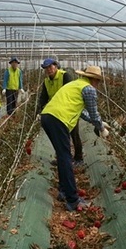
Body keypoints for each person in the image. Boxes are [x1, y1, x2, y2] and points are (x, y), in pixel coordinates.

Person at [41, 66, 109, 211]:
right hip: (59, 120)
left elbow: (82, 112)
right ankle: (73, 200)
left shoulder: (75, 84)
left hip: (47, 117)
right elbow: (93, 112)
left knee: (62, 156)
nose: (98, 84)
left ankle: (64, 191)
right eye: (98, 81)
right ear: (94, 80)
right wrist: (101, 128)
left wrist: (97, 122)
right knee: (66, 157)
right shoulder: (89, 89)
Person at [38, 58, 84, 166]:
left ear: (56, 66)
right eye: (46, 68)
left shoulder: (65, 76)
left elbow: (71, 93)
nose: (48, 70)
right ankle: (63, 158)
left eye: (50, 67)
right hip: (56, 113)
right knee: (59, 137)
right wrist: (39, 111)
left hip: (69, 110)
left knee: (74, 133)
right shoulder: (46, 82)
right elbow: (43, 97)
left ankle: (79, 158)